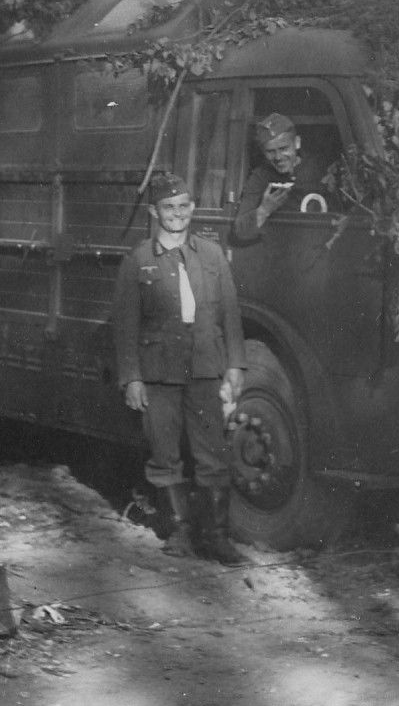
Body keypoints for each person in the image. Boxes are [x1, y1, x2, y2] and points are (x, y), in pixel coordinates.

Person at [113, 172, 248, 564]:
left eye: (183, 206)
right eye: (168, 207)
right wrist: (132, 377)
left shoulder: (212, 255)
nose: (177, 214)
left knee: (212, 454)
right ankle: (180, 533)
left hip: (205, 367)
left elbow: (231, 314)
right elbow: (125, 325)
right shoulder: (139, 260)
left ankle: (216, 537)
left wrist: (235, 365)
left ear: (192, 208)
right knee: (164, 453)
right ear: (154, 212)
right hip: (159, 373)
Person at [232, 112, 328, 243]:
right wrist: (264, 210)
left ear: (297, 142)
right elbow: (240, 231)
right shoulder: (260, 177)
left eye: (283, 148)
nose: (278, 157)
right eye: (270, 151)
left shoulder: (319, 169)